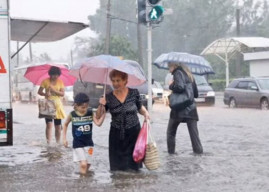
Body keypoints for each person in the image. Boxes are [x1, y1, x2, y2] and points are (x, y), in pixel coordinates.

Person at [97, 69, 150, 171]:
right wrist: (101, 104)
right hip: (116, 135)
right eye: (113, 81)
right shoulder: (108, 97)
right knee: (117, 168)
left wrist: (146, 113)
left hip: (134, 132)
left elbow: (140, 107)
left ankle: (133, 185)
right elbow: (99, 116)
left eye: (118, 80)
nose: (115, 84)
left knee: (134, 166)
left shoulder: (134, 93)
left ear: (125, 80)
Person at [62, 93, 105, 175]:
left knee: (88, 164)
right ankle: (82, 183)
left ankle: (85, 181)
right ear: (76, 106)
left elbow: (98, 123)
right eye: (82, 107)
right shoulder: (72, 115)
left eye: (86, 107)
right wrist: (64, 138)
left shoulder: (90, 113)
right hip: (78, 144)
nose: (85, 109)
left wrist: (103, 115)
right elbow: (65, 124)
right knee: (83, 164)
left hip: (89, 144)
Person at [167, 62, 203, 154]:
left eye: (169, 66)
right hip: (191, 109)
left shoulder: (177, 73)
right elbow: (196, 94)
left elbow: (180, 87)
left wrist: (171, 85)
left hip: (178, 109)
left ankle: (171, 155)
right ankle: (198, 155)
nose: (168, 69)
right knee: (194, 136)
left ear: (174, 65)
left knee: (170, 132)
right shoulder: (190, 75)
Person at [38, 66, 66, 144]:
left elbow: (62, 93)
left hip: (57, 105)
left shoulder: (60, 82)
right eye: (53, 75)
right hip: (48, 104)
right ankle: (49, 142)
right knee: (49, 124)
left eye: (57, 75)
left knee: (57, 126)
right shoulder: (45, 81)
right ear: (50, 74)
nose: (55, 76)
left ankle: (57, 142)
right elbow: (39, 92)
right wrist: (45, 93)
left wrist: (54, 90)